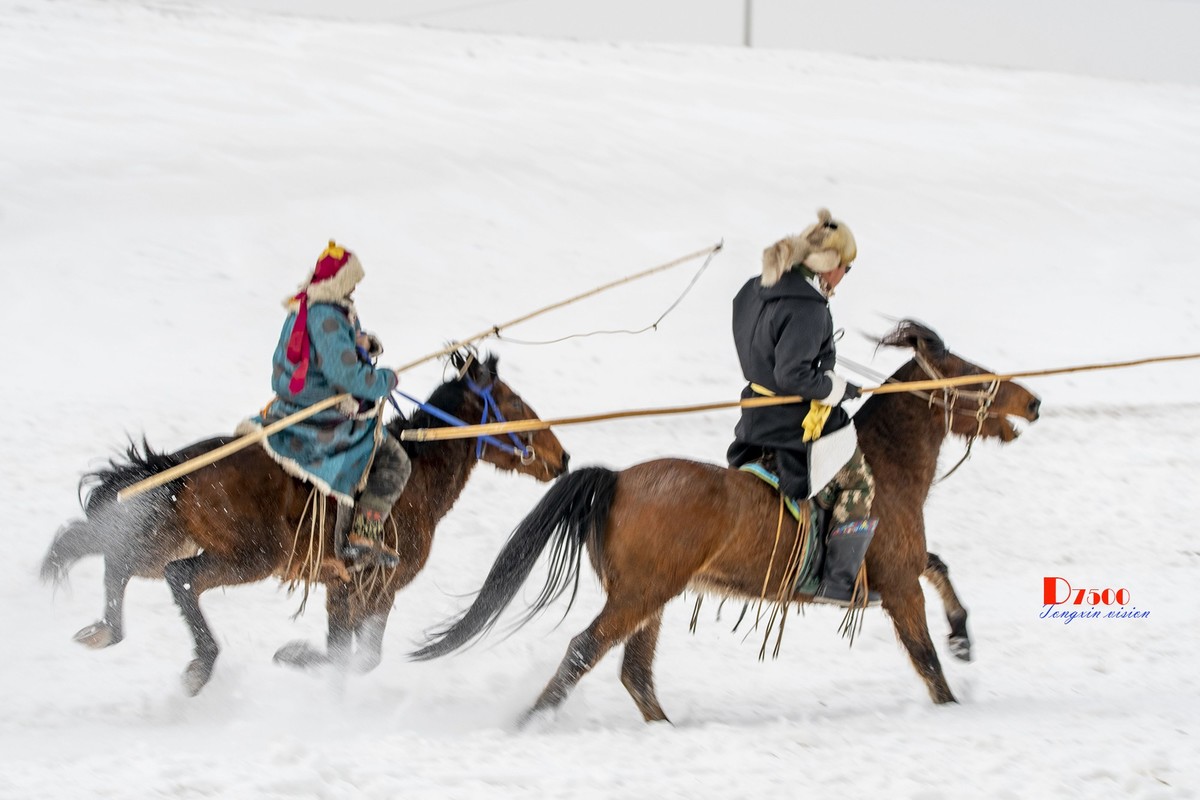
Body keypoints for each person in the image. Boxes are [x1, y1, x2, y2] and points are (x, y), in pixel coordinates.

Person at [726, 209, 878, 606]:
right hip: (792, 422)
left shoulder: (752, 288)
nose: (843, 278)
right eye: (846, 268)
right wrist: (836, 388)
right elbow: (794, 375)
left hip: (755, 413)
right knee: (859, 480)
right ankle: (839, 582)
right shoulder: (810, 308)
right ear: (831, 268)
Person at [248, 241, 411, 568]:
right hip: (323, 414)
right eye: (352, 281)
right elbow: (347, 376)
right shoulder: (328, 316)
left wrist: (362, 344)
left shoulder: (309, 305)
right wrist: (385, 381)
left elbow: (330, 352)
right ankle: (363, 535)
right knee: (394, 461)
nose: (354, 289)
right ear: (340, 282)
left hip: (292, 405)